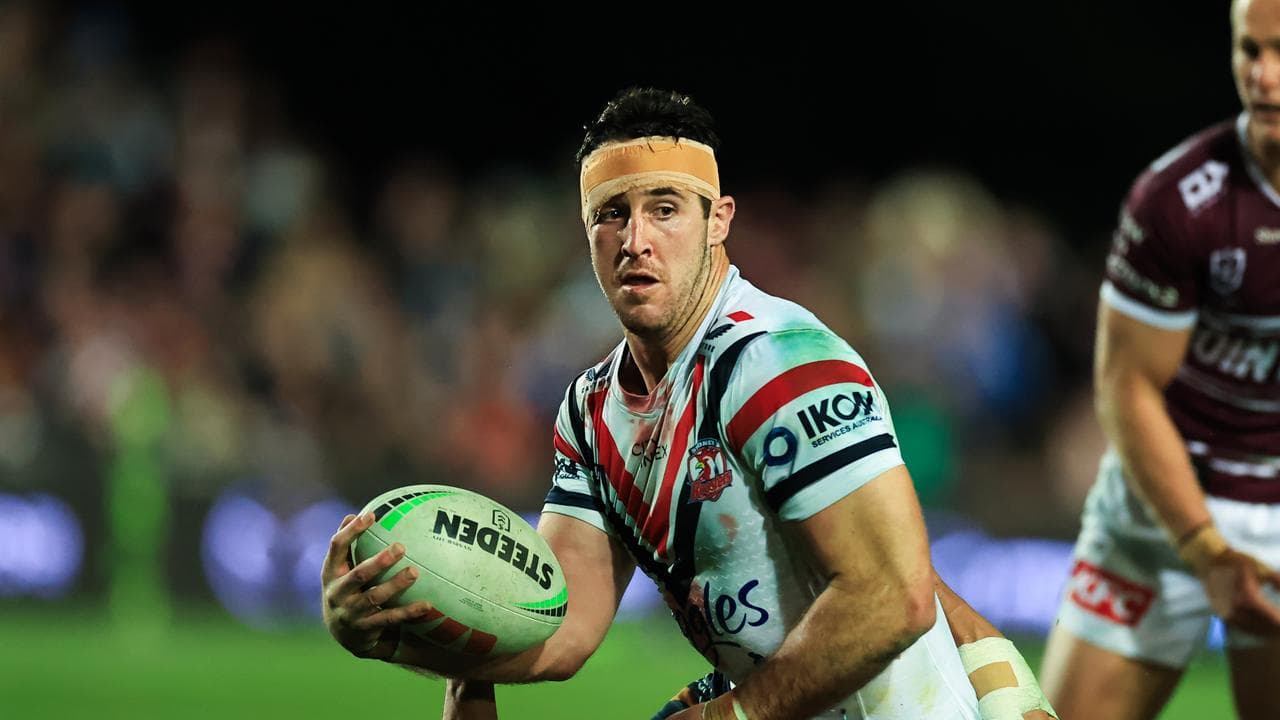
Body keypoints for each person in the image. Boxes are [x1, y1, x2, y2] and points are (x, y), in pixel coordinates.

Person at [322, 87, 1055, 720]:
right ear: (586, 234)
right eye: (612, 214)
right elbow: (554, 628)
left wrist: (732, 712)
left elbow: (892, 598)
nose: (635, 240)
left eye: (665, 209)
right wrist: (395, 633)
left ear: (718, 220)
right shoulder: (591, 411)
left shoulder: (780, 362)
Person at [1039, 2, 1280, 718]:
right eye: (1250, 51)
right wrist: (1204, 548)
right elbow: (1127, 386)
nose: (1263, 77)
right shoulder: (1178, 200)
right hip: (1167, 506)